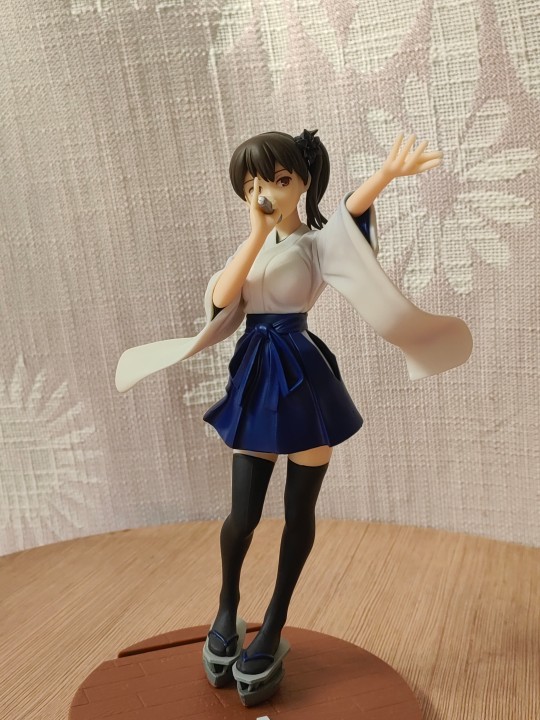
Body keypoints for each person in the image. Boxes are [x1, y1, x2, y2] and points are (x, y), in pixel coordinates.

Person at [115, 129, 472, 704]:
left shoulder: (315, 245)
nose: (265, 194)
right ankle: (227, 606)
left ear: (303, 182)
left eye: (280, 180)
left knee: (298, 512)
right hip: (257, 376)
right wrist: (256, 233)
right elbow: (221, 300)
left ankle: (275, 623)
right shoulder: (252, 246)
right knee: (242, 515)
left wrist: (384, 176)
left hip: (304, 377)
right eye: (252, 186)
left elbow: (349, 220)